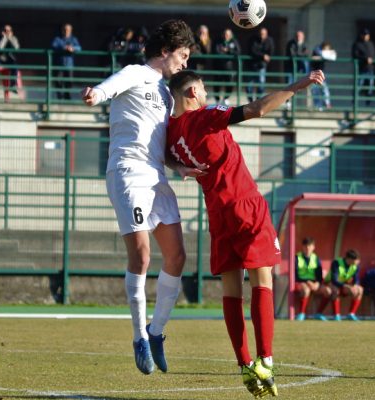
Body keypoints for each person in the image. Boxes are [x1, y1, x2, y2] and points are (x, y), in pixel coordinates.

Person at [166, 68, 324, 397]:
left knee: (231, 291)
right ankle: (265, 359)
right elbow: (256, 109)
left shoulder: (171, 132)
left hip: (218, 213)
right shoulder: (205, 116)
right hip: (244, 205)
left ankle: (244, 365)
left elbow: (165, 156)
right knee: (262, 281)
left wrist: (179, 167)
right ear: (193, 92)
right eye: (205, 89)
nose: (207, 95)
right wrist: (297, 85)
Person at [81, 19, 200, 376]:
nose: (184, 62)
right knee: (143, 255)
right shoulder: (136, 72)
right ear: (165, 52)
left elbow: (157, 143)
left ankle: (157, 331)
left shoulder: (166, 93)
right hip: (127, 172)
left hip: (156, 175)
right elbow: (111, 86)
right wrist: (97, 93)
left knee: (177, 255)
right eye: (182, 54)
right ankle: (139, 338)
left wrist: (179, 167)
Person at [294, 237, 331, 321]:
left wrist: (317, 283)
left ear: (313, 247)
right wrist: (307, 282)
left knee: (328, 291)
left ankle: (319, 313)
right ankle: (301, 314)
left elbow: (319, 275)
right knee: (306, 290)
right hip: (300, 282)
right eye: (306, 246)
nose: (308, 248)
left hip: (313, 283)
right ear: (302, 247)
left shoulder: (316, 258)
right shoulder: (297, 257)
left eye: (310, 246)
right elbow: (295, 275)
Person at [322, 249, 363, 321]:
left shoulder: (356, 265)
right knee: (335, 290)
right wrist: (346, 286)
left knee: (360, 290)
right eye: (356, 260)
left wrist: (355, 285)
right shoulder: (336, 263)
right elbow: (334, 280)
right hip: (330, 283)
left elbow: (356, 278)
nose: (357, 262)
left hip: (343, 284)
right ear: (349, 259)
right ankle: (337, 315)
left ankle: (351, 314)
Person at [52, 23, 81, 100]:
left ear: (71, 31)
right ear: (62, 30)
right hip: (59, 64)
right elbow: (54, 45)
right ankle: (60, 97)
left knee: (69, 81)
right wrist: (63, 47)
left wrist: (72, 48)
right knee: (58, 81)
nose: (66, 31)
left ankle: (67, 96)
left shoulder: (73, 39)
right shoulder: (58, 38)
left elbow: (79, 48)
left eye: (68, 30)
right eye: (65, 30)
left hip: (69, 65)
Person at [245, 27, 274, 102]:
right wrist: (263, 56)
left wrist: (266, 57)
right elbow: (252, 51)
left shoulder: (269, 41)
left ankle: (258, 101)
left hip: (261, 66)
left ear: (266, 34)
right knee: (248, 86)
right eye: (261, 33)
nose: (262, 35)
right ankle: (250, 101)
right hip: (251, 66)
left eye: (263, 34)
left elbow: (271, 52)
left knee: (261, 85)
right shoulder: (253, 40)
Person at [213, 28, 240, 105]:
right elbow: (216, 51)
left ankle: (226, 98)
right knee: (217, 84)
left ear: (231, 35)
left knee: (230, 83)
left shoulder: (234, 41)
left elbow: (238, 51)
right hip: (218, 66)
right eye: (225, 34)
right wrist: (224, 52)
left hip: (229, 67)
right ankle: (217, 99)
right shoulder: (218, 41)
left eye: (228, 34)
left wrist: (228, 50)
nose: (226, 36)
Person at [0, 24, 19, 93]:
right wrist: (5, 38)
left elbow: (17, 47)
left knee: (15, 65)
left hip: (8, 59)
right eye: (6, 30)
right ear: (2, 31)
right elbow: (0, 48)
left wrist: (10, 39)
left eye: (9, 30)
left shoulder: (13, 38)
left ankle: (13, 85)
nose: (7, 32)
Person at [351, 28, 375, 106]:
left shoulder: (371, 43)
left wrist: (373, 60)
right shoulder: (357, 44)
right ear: (361, 35)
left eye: (367, 35)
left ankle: (368, 102)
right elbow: (355, 55)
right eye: (364, 35)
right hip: (362, 69)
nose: (366, 36)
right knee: (359, 86)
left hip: (370, 68)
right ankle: (355, 102)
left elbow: (374, 54)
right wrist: (365, 59)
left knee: (370, 87)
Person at [310, 41, 335, 111]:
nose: (327, 51)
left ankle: (327, 103)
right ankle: (318, 107)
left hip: (321, 72)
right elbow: (321, 54)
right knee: (315, 90)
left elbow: (333, 56)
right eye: (326, 49)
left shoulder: (323, 51)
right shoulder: (317, 49)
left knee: (325, 88)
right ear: (324, 47)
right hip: (314, 72)